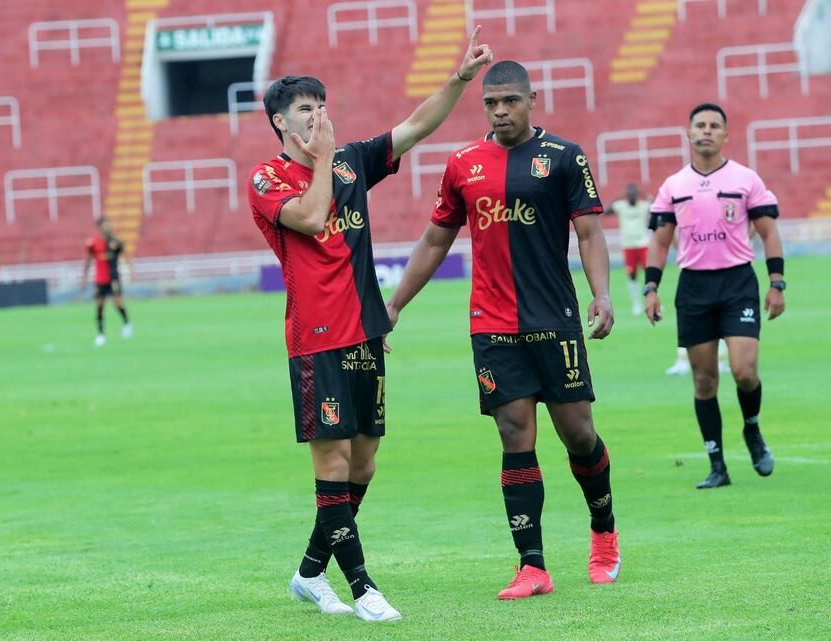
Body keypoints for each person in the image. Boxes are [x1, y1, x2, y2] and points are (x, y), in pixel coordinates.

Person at [247, 28, 492, 622]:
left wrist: (460, 78)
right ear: (280, 122)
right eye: (304, 109)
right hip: (316, 339)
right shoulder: (266, 179)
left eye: (320, 105)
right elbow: (311, 218)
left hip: (366, 331)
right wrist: (323, 159)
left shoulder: (353, 160)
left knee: (364, 463)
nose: (316, 115)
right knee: (331, 463)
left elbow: (416, 126)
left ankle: (310, 573)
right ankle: (363, 589)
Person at [385, 60, 620, 601]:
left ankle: (604, 531)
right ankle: (532, 566)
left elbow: (588, 233)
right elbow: (435, 240)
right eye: (491, 103)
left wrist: (602, 294)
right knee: (516, 435)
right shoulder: (462, 163)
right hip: (491, 324)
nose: (500, 111)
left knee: (578, 434)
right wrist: (394, 304)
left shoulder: (564, 156)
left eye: (510, 100)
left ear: (532, 100)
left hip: (554, 318)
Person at [644, 103, 785, 489]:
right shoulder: (674, 186)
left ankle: (752, 428)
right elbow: (660, 241)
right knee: (704, 380)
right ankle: (717, 465)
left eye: (714, 126)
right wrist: (651, 287)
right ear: (689, 133)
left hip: (737, 283)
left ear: (725, 135)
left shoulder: (745, 179)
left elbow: (769, 232)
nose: (706, 130)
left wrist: (777, 282)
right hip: (694, 288)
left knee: (744, 371)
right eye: (700, 125)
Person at [81, 217, 133, 346]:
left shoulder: (117, 242)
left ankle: (126, 323)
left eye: (110, 225)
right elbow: (88, 260)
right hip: (100, 279)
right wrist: (84, 277)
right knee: (99, 306)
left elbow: (126, 256)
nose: (109, 227)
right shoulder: (93, 243)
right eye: (106, 225)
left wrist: (131, 270)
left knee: (117, 304)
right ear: (100, 227)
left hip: (114, 278)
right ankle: (101, 335)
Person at [604, 183, 651, 316]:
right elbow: (605, 211)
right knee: (632, 276)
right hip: (628, 246)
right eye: (629, 194)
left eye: (634, 194)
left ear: (637, 195)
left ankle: (651, 301)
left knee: (649, 274)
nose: (632, 197)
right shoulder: (621, 206)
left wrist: (643, 194)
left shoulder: (644, 206)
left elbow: (656, 205)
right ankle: (636, 304)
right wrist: (618, 197)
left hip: (643, 244)